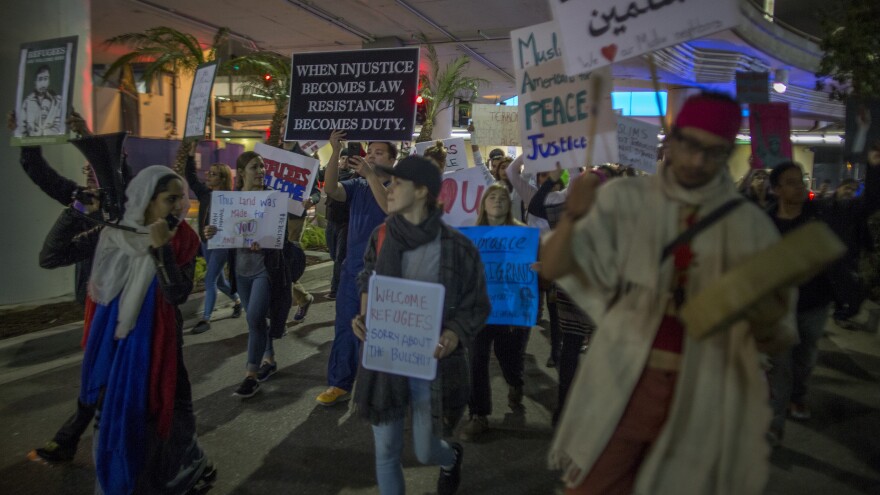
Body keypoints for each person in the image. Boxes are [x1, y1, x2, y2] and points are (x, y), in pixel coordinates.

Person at [542, 92, 796, 495]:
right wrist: (573, 215)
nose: (697, 161)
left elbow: (780, 335)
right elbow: (554, 267)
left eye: (714, 152)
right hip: (623, 382)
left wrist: (759, 314)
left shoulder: (750, 227)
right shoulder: (627, 200)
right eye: (690, 145)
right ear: (671, 140)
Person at [43, 165, 215, 493]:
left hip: (160, 347)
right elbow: (52, 256)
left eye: (181, 199)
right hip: (112, 349)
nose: (180, 206)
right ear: (147, 201)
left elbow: (177, 293)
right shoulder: (114, 233)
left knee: (170, 416)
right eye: (170, 199)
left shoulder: (182, 239)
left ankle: (188, 467)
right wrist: (78, 210)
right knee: (118, 426)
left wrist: (161, 249)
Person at [351, 155, 490, 495]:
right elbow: (368, 280)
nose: (390, 189)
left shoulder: (458, 247)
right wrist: (363, 319)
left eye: (397, 183)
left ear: (422, 191)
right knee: (385, 452)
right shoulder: (380, 236)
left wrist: (455, 332)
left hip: (432, 365)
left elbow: (477, 303)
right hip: (385, 361)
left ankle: (449, 457)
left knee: (426, 449)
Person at [766, 149, 880, 445]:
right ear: (777, 190)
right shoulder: (763, 222)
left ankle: (799, 396)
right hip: (778, 306)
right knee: (780, 365)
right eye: (791, 182)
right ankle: (775, 423)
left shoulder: (824, 213)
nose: (800, 186)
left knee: (804, 358)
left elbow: (868, 203)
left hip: (815, 302)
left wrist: (874, 167)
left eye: (801, 181)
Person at [205, 151, 293, 398]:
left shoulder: (272, 200)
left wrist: (264, 241)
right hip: (241, 271)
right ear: (241, 173)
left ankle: (250, 376)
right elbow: (223, 233)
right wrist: (211, 231)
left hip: (264, 269)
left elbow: (281, 237)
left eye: (263, 167)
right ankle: (269, 359)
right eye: (255, 167)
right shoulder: (229, 202)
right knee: (253, 321)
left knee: (254, 317)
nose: (262, 171)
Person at [317, 132, 394, 406]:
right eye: (369, 152)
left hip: (385, 273)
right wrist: (334, 151)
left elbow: (388, 206)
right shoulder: (358, 185)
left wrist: (370, 175)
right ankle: (339, 383)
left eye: (378, 153)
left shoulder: (398, 188)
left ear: (392, 161)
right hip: (353, 271)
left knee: (380, 331)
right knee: (345, 327)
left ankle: (379, 387)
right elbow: (331, 189)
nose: (371, 156)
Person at [458, 183, 530, 441]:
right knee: (476, 359)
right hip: (479, 310)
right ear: (483, 204)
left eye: (502, 197)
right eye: (492, 197)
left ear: (509, 205)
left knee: (508, 357)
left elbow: (527, 278)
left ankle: (516, 382)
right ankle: (478, 415)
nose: (497, 201)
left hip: (510, 310)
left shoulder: (522, 235)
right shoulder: (471, 236)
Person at [181, 141, 241, 334]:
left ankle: (206, 318)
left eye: (214, 173)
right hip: (206, 243)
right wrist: (191, 153)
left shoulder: (231, 198)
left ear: (223, 178)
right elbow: (190, 177)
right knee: (220, 281)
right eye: (209, 172)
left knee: (209, 280)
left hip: (222, 244)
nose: (208, 175)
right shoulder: (205, 194)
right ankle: (238, 301)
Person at [321, 148, 355, 300]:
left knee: (340, 257)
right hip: (332, 220)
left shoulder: (353, 177)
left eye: (348, 159)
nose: (344, 161)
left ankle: (335, 289)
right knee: (334, 255)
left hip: (345, 223)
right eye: (342, 158)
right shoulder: (333, 174)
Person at [16, 65, 64, 137]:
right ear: (35, 82)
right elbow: (21, 129)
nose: (43, 83)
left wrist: (41, 133)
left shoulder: (57, 101)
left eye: (46, 79)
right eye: (40, 79)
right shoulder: (27, 102)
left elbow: (59, 128)